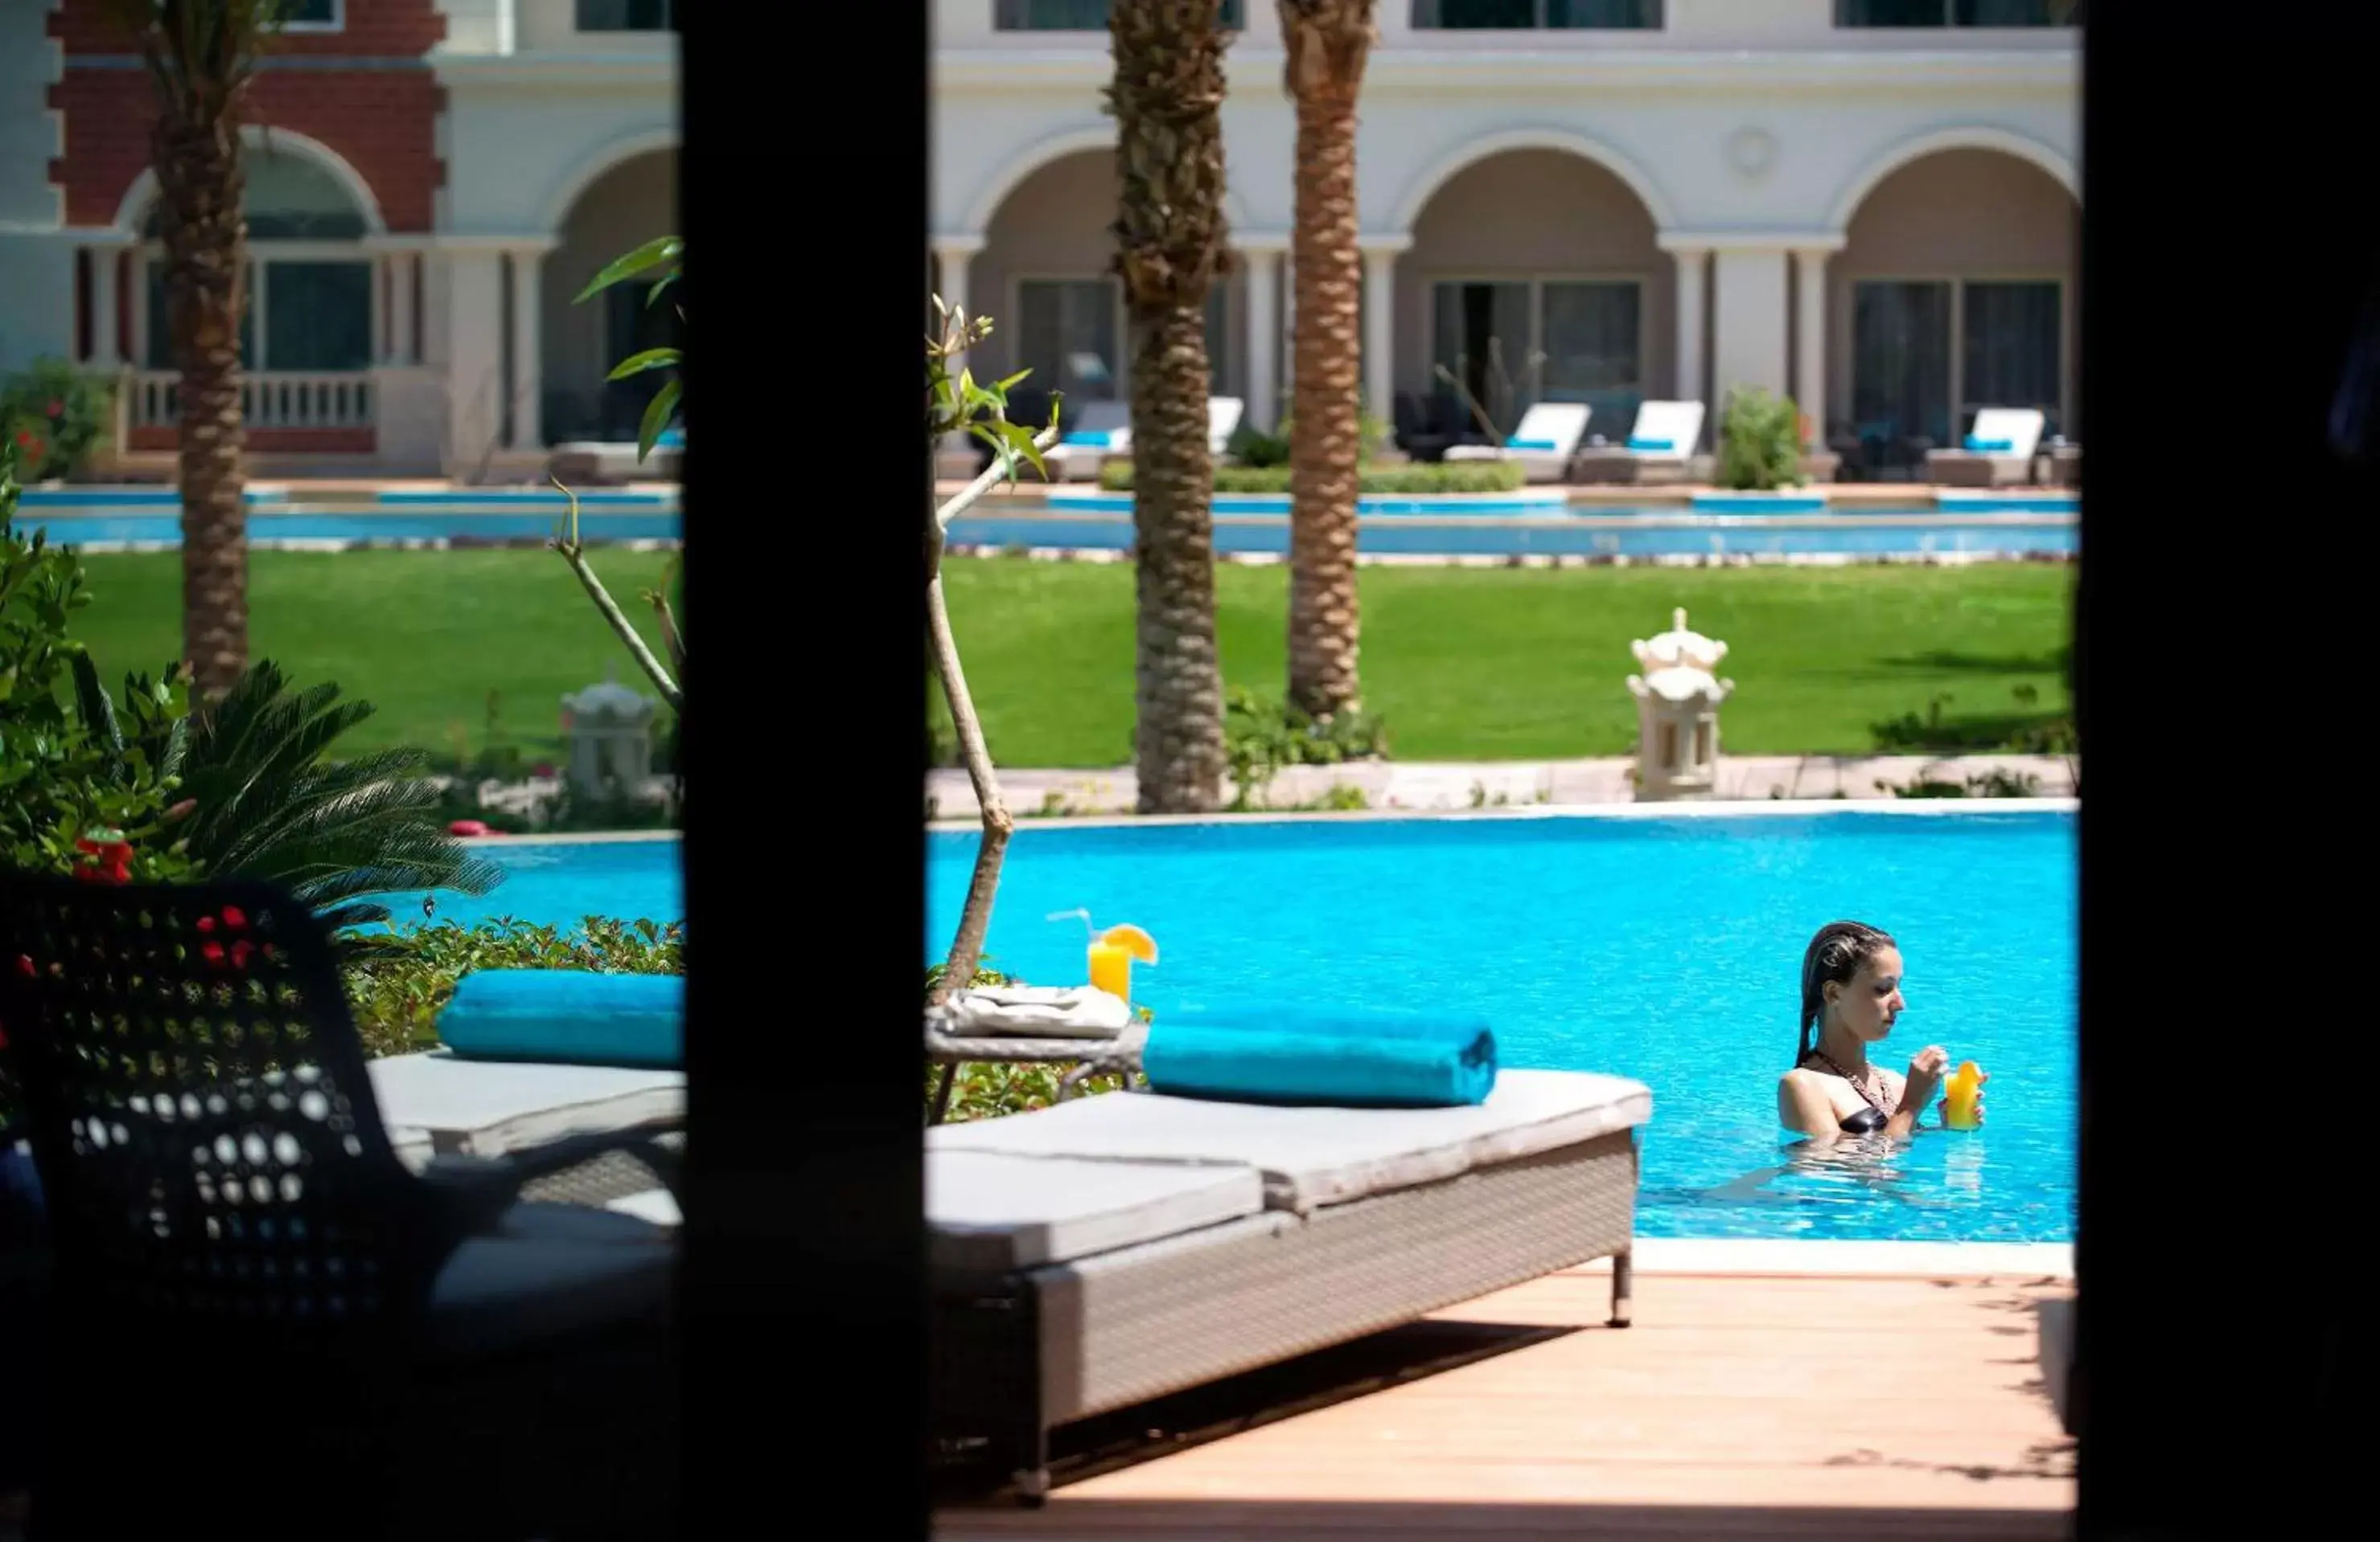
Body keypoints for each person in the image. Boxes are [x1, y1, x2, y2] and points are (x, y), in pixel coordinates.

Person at [1777, 920, 1983, 1141]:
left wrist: (1949, 1128)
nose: (1900, 1003)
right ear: (1834, 994)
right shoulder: (1803, 1086)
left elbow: (1900, 1153)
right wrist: (1911, 1106)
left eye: (1898, 987)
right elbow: (1827, 1167)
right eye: (1883, 989)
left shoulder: (1896, 1084)